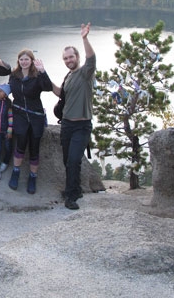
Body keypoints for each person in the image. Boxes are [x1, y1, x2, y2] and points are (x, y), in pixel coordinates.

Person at [55, 23, 96, 210]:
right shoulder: (69, 76)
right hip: (67, 125)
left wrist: (85, 38)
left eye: (71, 56)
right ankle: (76, 188)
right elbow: (61, 94)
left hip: (82, 125)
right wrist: (43, 76)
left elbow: (91, 58)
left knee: (73, 160)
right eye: (65, 58)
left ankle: (71, 196)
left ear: (77, 57)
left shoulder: (85, 73)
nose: (68, 60)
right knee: (68, 161)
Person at [7, 49, 56, 194]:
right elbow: (9, 89)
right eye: (21, 59)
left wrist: (43, 71)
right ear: (18, 61)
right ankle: (16, 172)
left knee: (35, 147)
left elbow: (48, 87)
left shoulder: (37, 75)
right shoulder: (14, 75)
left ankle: (32, 177)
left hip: (36, 115)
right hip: (20, 113)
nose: (24, 62)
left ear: (32, 61)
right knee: (20, 142)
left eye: (26, 59)